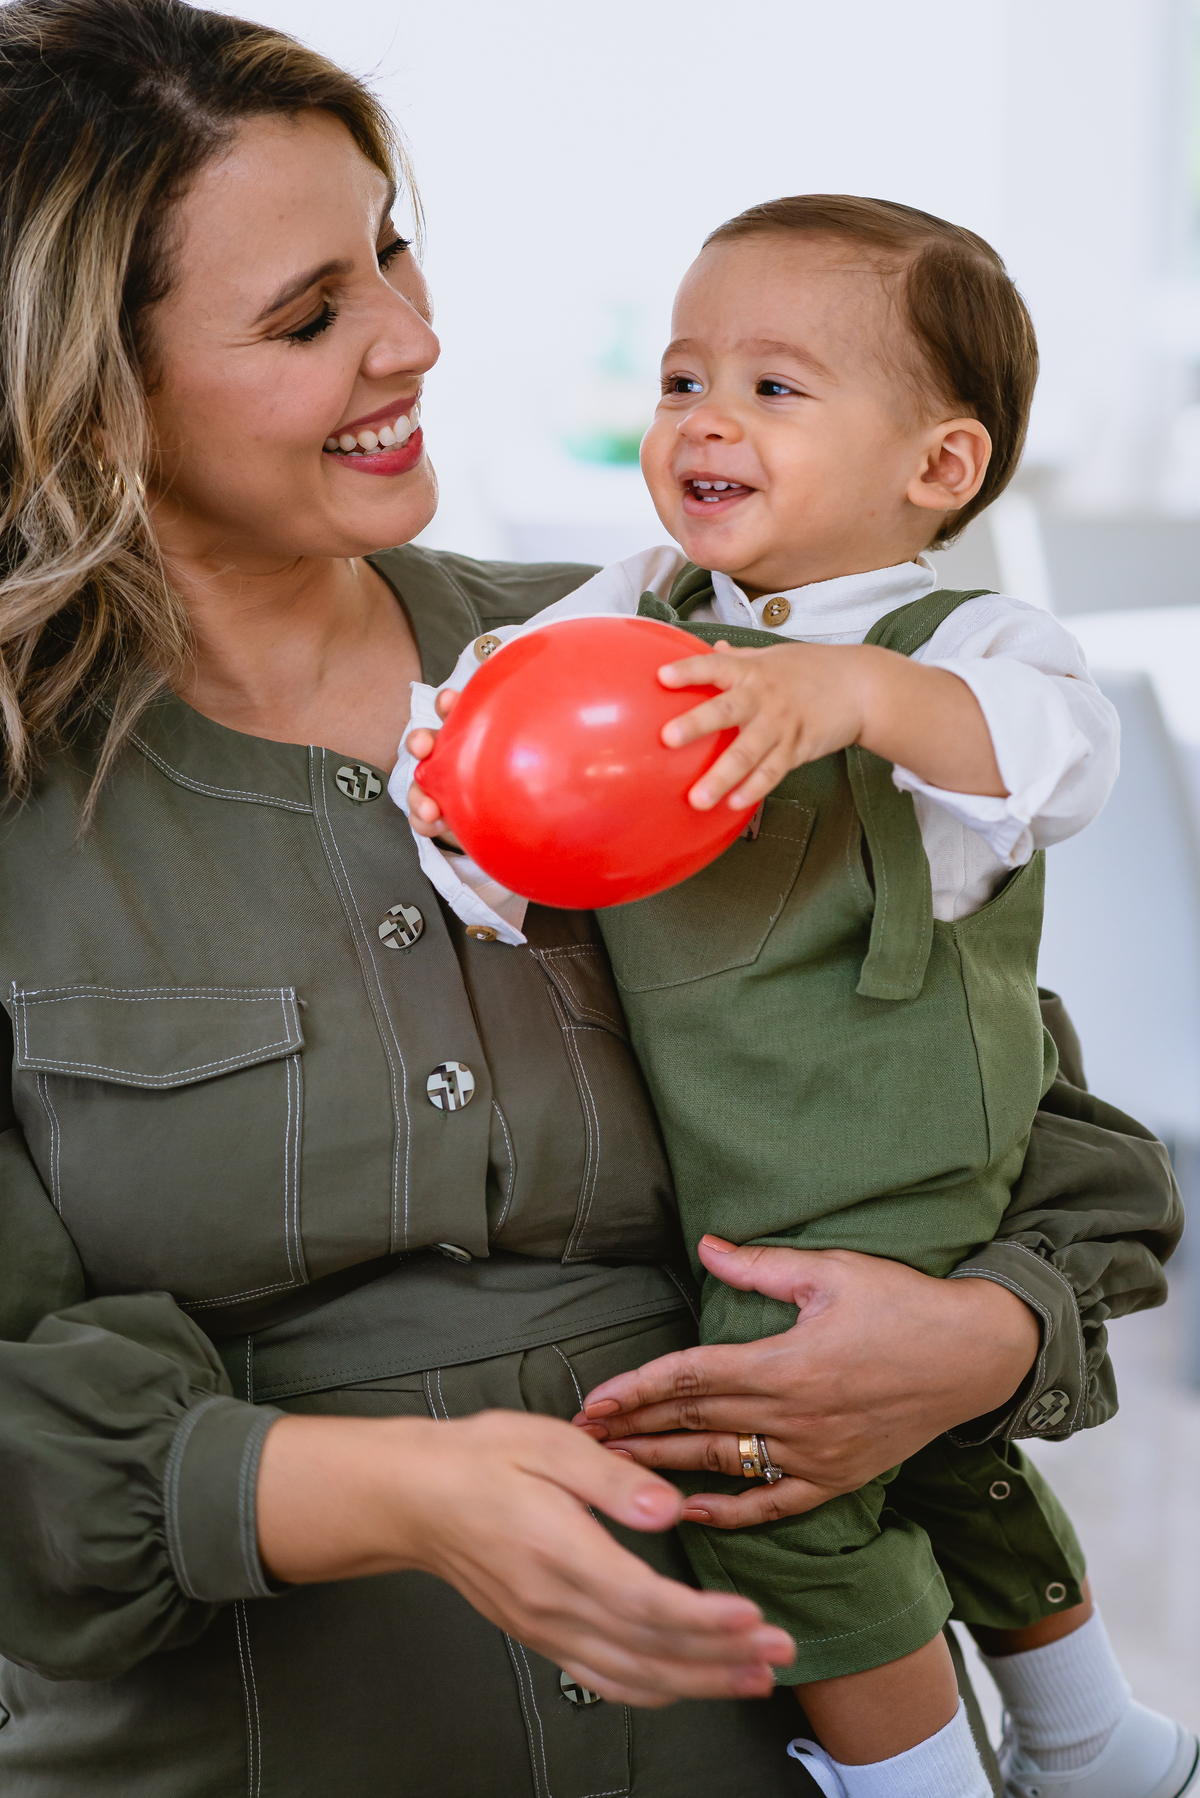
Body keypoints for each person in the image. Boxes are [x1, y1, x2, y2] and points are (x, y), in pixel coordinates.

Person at [0, 4, 1181, 1793]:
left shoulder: (676, 657)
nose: (415, 335)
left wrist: (985, 1331)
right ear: (90, 392)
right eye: (314, 313)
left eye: (393, 245)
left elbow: (1011, 1088)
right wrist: (375, 1489)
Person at [404, 200, 1197, 1798]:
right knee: (950, 1449)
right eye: (685, 376)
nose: (705, 416)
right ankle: (1095, 1743)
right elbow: (493, 748)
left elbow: (1059, 759)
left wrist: (847, 695)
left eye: (775, 387)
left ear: (938, 469)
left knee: (783, 1503)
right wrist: (452, 782)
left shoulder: (968, 643)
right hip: (741, 1149)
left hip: (890, 1152)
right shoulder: (633, 605)